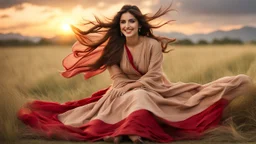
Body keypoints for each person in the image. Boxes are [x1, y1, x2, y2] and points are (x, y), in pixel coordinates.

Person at [18, 4, 255, 144]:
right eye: (123, 22)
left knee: (237, 83)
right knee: (137, 98)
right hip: (121, 92)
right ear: (119, 26)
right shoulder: (114, 46)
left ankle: (132, 133)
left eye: (132, 21)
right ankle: (133, 135)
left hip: (156, 89)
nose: (127, 26)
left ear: (139, 24)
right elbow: (118, 78)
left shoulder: (152, 44)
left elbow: (154, 75)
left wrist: (135, 86)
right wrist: (130, 88)